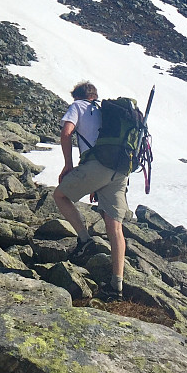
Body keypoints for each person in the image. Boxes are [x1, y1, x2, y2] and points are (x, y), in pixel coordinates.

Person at [53, 81, 129, 300]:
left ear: (78, 96)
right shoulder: (107, 112)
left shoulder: (77, 107)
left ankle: (85, 241)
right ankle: (117, 286)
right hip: (120, 170)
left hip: (97, 166)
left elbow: (66, 134)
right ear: (95, 95)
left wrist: (68, 165)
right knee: (115, 227)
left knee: (60, 195)